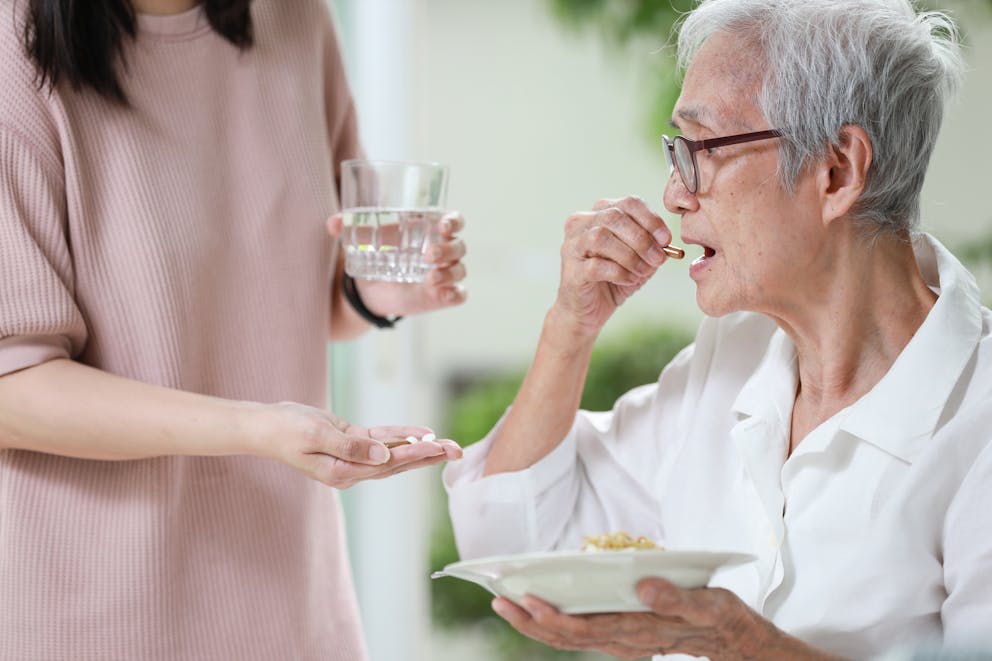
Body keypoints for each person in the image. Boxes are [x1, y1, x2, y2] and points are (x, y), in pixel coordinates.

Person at [444, 0, 992, 659]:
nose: (674, 192)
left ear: (836, 171)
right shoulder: (734, 360)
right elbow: (512, 544)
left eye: (700, 148)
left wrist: (740, 644)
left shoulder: (977, 416)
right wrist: (570, 325)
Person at [0, 0, 464, 659]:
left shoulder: (299, 19)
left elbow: (316, 296)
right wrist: (253, 428)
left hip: (294, 603)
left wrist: (378, 291)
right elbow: (12, 384)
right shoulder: (12, 53)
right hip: (96, 615)